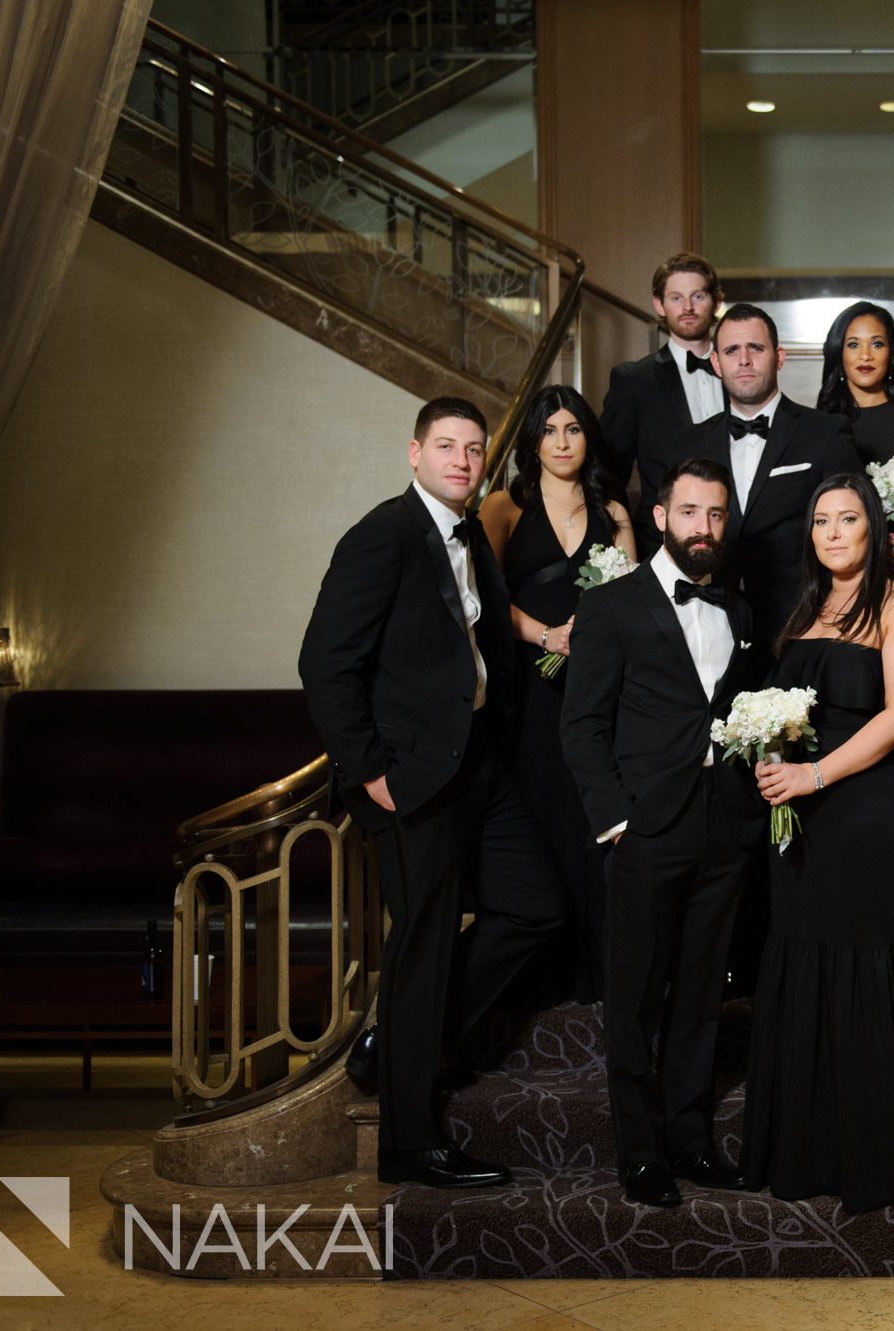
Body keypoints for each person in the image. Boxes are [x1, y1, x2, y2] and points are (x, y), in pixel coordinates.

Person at [298, 396, 567, 1189]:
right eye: (445, 446)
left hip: (479, 766)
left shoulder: (473, 533)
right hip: (409, 780)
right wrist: (368, 769)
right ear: (414, 455)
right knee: (422, 945)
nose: (461, 458)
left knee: (537, 904)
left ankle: (405, 1044)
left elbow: (480, 650)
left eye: (474, 448)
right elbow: (324, 661)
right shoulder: (381, 536)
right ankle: (409, 1142)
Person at [558, 458, 766, 1207]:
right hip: (645, 827)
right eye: (689, 514)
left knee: (703, 993)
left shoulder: (739, 612)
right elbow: (581, 727)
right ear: (660, 518)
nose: (704, 529)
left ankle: (691, 1139)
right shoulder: (612, 607)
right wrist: (616, 822)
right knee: (636, 995)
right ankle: (640, 1151)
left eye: (715, 515)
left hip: (722, 826)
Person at [740, 471, 894, 1212]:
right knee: (799, 957)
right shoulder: (803, 610)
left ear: (873, 527)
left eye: (846, 518)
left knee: (855, 964)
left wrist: (814, 775)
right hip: (797, 811)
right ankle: (800, 1147)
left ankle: (864, 1153)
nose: (831, 532)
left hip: (860, 809)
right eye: (820, 520)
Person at [478, 384, 634, 1004]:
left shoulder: (615, 513)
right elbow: (483, 602)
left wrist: (592, 642)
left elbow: (630, 602)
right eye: (550, 430)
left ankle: (595, 978)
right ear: (532, 441)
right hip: (528, 693)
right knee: (540, 817)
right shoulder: (503, 507)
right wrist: (548, 636)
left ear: (588, 437)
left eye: (573, 429)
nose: (562, 442)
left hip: (596, 691)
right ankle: (537, 979)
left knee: (590, 817)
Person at [671, 302, 859, 648]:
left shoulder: (826, 433)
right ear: (716, 363)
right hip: (708, 631)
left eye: (755, 348)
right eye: (731, 350)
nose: (743, 360)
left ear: (779, 357)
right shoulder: (689, 442)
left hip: (801, 627)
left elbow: (855, 531)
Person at [601, 252, 727, 555]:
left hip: (738, 547)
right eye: (675, 298)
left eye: (697, 296)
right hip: (661, 546)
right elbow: (608, 473)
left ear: (716, 302)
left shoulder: (740, 371)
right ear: (659, 305)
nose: (687, 308)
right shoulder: (634, 380)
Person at [814, 300, 894, 579]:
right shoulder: (816, 427)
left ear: (892, 354)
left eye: (876, 344)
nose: (865, 355)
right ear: (839, 353)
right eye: (853, 345)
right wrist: (872, 546)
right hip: (834, 574)